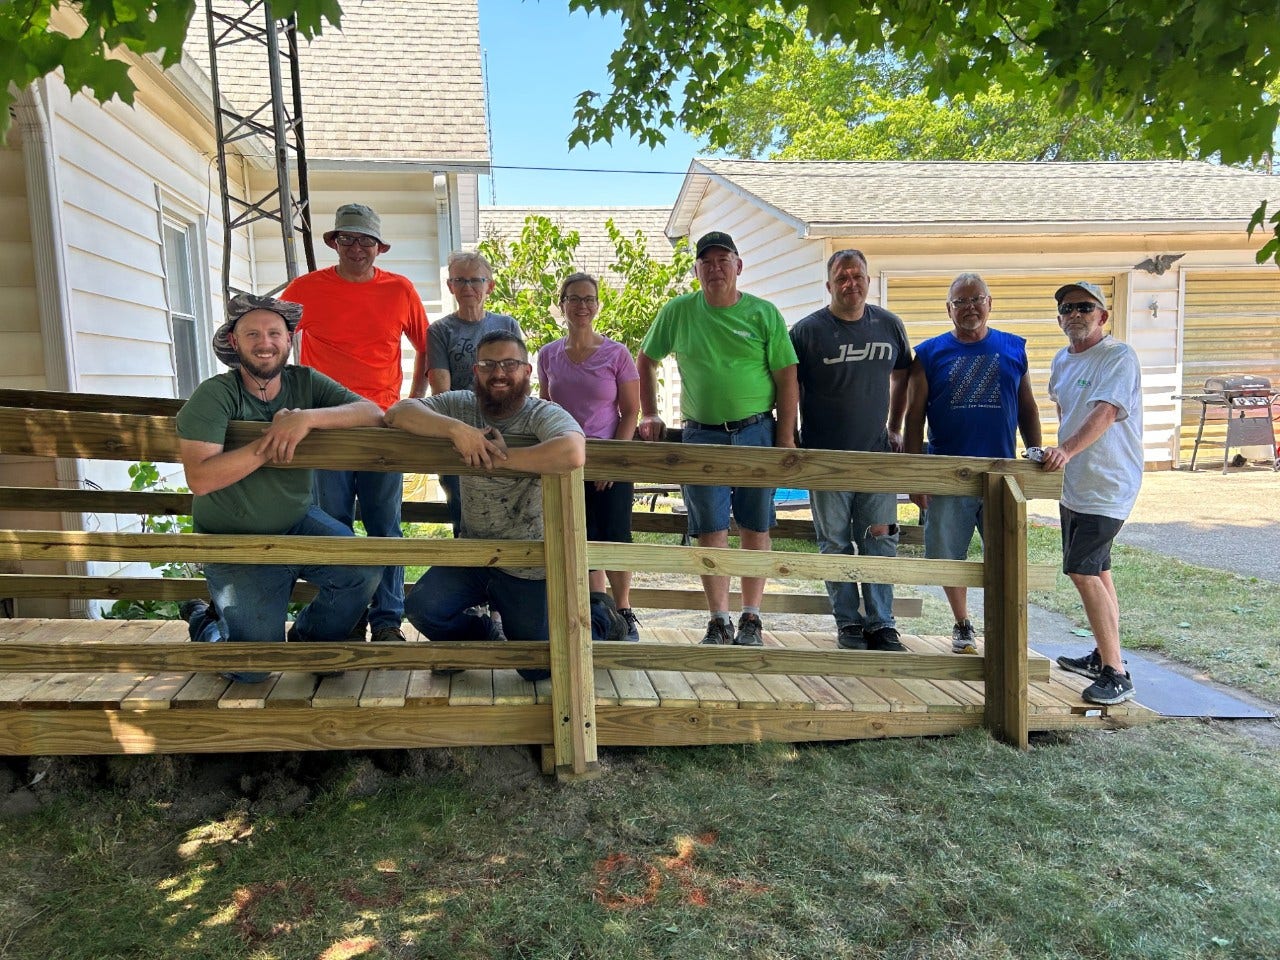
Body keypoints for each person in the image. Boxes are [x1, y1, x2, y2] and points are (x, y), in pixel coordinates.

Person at [385, 331, 627, 682]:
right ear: (475, 370)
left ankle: (602, 616)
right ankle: (480, 639)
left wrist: (500, 459)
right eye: (489, 364)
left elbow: (573, 452)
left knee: (535, 667)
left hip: (527, 563)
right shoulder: (461, 405)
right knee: (422, 608)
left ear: (528, 371)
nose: (499, 372)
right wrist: (458, 431)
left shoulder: (542, 413)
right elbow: (398, 412)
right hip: (474, 552)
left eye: (510, 364)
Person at [175, 293, 384, 683]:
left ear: (289, 340)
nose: (265, 342)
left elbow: (372, 412)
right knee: (252, 671)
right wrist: (267, 444)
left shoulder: (305, 382)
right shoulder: (215, 394)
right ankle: (206, 623)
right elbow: (200, 478)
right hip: (234, 542)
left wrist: (305, 419)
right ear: (234, 343)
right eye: (251, 333)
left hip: (297, 521)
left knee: (365, 566)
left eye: (274, 333)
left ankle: (308, 643)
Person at [636, 231, 799, 647]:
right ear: (696, 270)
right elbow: (646, 358)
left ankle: (752, 617)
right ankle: (718, 618)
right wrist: (650, 412)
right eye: (705, 262)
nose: (715, 269)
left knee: (755, 525)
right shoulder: (679, 311)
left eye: (723, 260)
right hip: (700, 435)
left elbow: (787, 376)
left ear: (738, 266)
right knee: (709, 528)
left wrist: (785, 435)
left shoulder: (764, 314)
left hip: (757, 430)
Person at [282, 203, 429, 644]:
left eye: (366, 240)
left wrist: (414, 401)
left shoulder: (400, 290)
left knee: (386, 524)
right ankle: (344, 617)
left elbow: (427, 345)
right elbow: (273, 335)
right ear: (335, 243)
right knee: (334, 523)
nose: (357, 248)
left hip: (383, 427)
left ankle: (388, 619)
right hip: (326, 427)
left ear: (379, 247)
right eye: (347, 238)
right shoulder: (306, 288)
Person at [904, 273, 1042, 654]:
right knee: (949, 556)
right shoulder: (929, 354)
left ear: (990, 303)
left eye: (976, 299)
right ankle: (962, 622)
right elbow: (913, 418)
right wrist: (918, 475)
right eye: (960, 302)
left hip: (1002, 474)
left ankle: (1003, 629)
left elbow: (1028, 408)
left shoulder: (1014, 348)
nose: (969, 308)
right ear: (949, 309)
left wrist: (1034, 456)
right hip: (950, 475)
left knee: (1005, 556)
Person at [790, 249, 912, 652]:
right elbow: (789, 387)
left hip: (875, 457)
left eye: (857, 276)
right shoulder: (807, 332)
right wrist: (791, 437)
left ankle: (882, 623)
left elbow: (903, 376)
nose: (850, 283)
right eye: (842, 277)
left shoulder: (890, 326)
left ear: (868, 281)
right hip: (824, 458)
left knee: (881, 538)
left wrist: (894, 427)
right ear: (829, 286)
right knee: (835, 542)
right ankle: (849, 623)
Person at [1041, 281, 1144, 705]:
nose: (1075, 314)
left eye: (1085, 307)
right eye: (1067, 308)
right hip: (1076, 484)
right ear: (1060, 319)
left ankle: (1117, 673)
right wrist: (1058, 451)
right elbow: (1067, 413)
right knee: (1098, 569)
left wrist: (1066, 449)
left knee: (1080, 569)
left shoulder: (1118, 357)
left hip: (1108, 482)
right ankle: (1104, 654)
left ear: (1102, 316)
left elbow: (1104, 413)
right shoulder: (1061, 361)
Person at [537, 272, 643, 640]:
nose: (581, 306)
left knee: (614, 534)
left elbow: (631, 410)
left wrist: (612, 460)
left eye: (588, 299)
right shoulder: (548, 354)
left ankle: (625, 609)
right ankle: (597, 611)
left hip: (608, 454)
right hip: (565, 456)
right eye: (574, 298)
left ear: (597, 305)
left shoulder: (617, 353)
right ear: (562, 304)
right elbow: (545, 407)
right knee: (578, 534)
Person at [427, 250, 523, 534]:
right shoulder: (440, 331)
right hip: (459, 434)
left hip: (503, 430)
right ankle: (468, 573)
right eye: (460, 280)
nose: (467, 287)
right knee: (462, 510)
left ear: (489, 286)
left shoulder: (507, 325)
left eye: (475, 280)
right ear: (450, 286)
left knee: (507, 507)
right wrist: (463, 432)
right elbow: (441, 390)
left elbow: (515, 376)